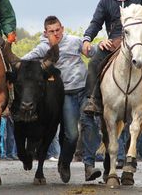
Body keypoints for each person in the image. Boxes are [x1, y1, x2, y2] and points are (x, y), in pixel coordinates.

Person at [22, 15, 100, 183]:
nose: (56, 34)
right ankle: (64, 163)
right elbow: (25, 61)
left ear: (62, 29)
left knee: (89, 125)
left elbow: (92, 51)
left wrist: (95, 46)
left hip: (84, 90)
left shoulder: (74, 40)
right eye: (51, 31)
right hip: (64, 94)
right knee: (71, 134)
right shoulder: (43, 48)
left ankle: (89, 166)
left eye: (58, 30)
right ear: (45, 33)